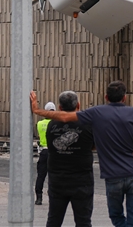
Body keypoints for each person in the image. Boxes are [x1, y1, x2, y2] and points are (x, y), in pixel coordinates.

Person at [31, 81, 133, 227]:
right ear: (124, 98)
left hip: (99, 177)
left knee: (113, 216)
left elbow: (64, 118)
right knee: (127, 220)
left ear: (106, 97)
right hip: (125, 174)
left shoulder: (93, 113)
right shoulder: (132, 113)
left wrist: (37, 110)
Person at [45, 91, 95, 227]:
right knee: (83, 221)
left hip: (57, 180)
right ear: (78, 105)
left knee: (54, 220)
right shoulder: (88, 124)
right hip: (82, 181)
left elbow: (51, 147)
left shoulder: (51, 125)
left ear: (60, 107)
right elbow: (94, 146)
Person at [35, 101, 55, 206]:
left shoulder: (39, 124)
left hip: (43, 151)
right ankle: (53, 197)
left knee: (41, 176)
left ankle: (39, 197)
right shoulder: (57, 123)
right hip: (54, 152)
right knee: (53, 176)